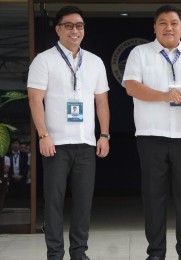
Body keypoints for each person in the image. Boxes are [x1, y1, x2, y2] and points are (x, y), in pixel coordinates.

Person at [122, 5, 181, 260]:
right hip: (151, 134)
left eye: (174, 23)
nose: (168, 27)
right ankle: (155, 253)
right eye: (162, 23)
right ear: (154, 28)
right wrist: (164, 96)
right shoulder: (139, 53)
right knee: (154, 197)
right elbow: (131, 86)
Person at [27, 6, 110, 260]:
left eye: (80, 26)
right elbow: (34, 99)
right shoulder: (44, 60)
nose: (75, 30)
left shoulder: (95, 62)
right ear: (58, 29)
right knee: (53, 202)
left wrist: (104, 135)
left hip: (86, 143)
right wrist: (43, 135)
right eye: (69, 25)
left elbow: (102, 102)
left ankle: (79, 252)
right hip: (56, 143)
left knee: (83, 203)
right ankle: (54, 253)